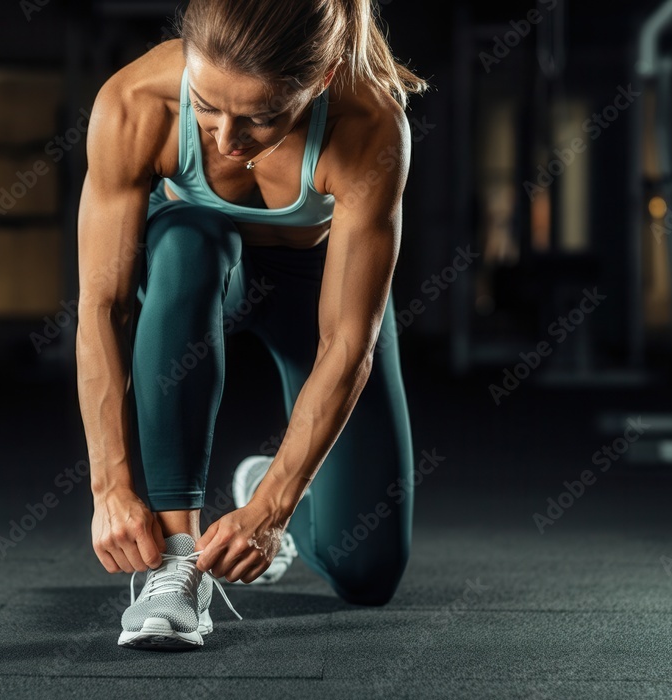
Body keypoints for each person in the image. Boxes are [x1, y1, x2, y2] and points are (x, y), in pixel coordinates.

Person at [75, 0, 428, 650]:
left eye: (260, 117)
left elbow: (349, 342)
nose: (226, 138)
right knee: (185, 246)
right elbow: (104, 306)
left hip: (312, 293)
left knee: (367, 572)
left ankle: (272, 473)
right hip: (200, 278)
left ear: (318, 82)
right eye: (208, 106)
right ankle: (177, 564)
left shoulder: (367, 123)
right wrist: (110, 487)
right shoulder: (134, 103)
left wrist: (272, 507)